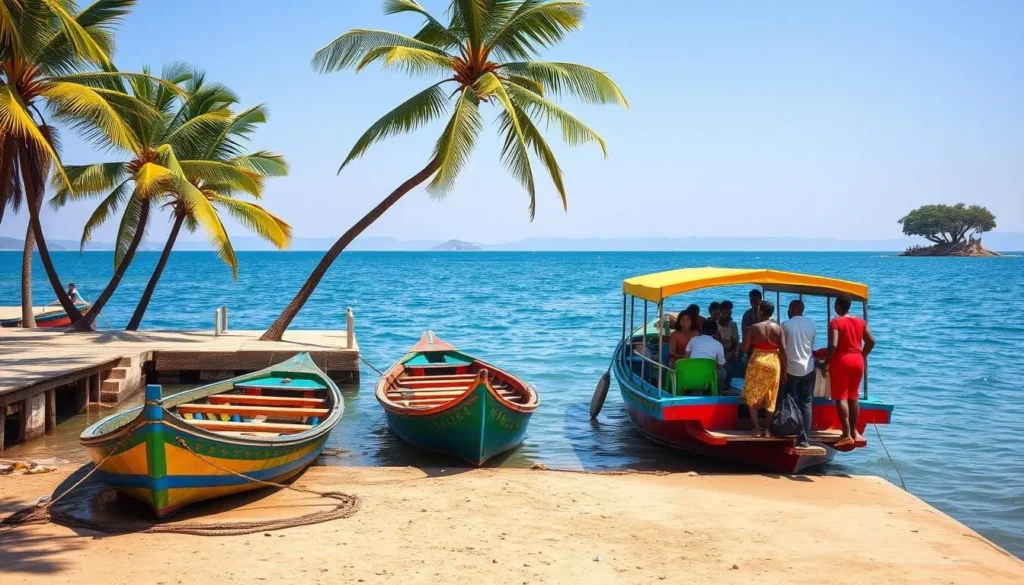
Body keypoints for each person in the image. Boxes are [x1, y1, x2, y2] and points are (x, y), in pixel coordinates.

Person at [820, 294, 875, 448]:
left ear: (837, 306)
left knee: (841, 397)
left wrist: (826, 363)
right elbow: (871, 340)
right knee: (853, 396)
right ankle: (854, 431)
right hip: (858, 360)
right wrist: (862, 354)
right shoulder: (860, 321)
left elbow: (833, 346)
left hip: (842, 361)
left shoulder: (835, 322)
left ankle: (846, 434)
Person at [740, 300, 787, 437]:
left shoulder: (753, 328)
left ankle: (756, 428)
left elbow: (744, 347)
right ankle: (767, 429)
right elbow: (783, 350)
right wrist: (784, 370)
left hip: (757, 360)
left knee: (751, 394)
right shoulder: (778, 328)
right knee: (771, 396)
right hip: (774, 361)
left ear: (760, 311)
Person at [781, 300, 815, 447]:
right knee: (806, 403)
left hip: (791, 367)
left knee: (788, 400)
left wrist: (783, 369)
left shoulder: (785, 325)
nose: (788, 311)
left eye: (789, 308)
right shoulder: (811, 325)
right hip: (808, 367)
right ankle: (805, 438)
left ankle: (788, 432)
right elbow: (811, 346)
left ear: (793, 309)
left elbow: (782, 348)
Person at [685, 319, 729, 393]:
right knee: (723, 372)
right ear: (716, 331)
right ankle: (716, 392)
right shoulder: (718, 344)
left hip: (691, 372)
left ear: (702, 329)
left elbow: (686, 357)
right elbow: (721, 363)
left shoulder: (693, 340)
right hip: (709, 374)